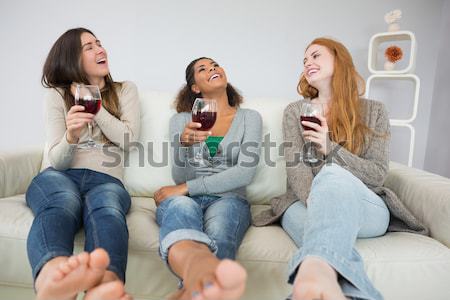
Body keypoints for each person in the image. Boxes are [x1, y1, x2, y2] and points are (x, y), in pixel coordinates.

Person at [253, 37, 428, 300]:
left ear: (339, 59)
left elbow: (377, 173)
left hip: (365, 205)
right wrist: (317, 198)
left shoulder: (375, 112)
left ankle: (312, 274)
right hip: (304, 202)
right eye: (304, 60)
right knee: (317, 214)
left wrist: (328, 146)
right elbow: (296, 166)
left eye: (315, 56)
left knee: (332, 174)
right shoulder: (295, 111)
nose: (307, 63)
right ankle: (325, 283)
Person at [26, 27, 140, 300]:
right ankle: (54, 279)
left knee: (108, 209)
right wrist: (71, 135)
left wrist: (95, 106)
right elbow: (58, 160)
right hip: (59, 176)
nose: (100, 49)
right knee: (63, 200)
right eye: (89, 47)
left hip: (106, 178)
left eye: (99, 43)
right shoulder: (56, 95)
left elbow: (128, 139)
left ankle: (104, 287)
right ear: (71, 58)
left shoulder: (125, 90)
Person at [154, 57, 262, 300]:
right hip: (186, 198)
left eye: (215, 65)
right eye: (203, 69)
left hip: (228, 199)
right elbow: (179, 175)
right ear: (195, 87)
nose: (212, 69)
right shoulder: (181, 121)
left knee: (221, 234)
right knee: (180, 205)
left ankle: (189, 292)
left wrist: (186, 187)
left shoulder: (249, 118)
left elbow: (245, 173)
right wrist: (182, 144)